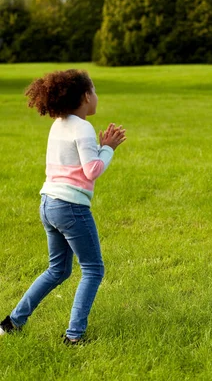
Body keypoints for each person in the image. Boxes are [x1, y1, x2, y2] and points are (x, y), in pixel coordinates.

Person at [0, 69, 126, 344]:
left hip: (48, 203)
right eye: (94, 91)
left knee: (58, 270)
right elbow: (92, 170)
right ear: (84, 97)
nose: (96, 96)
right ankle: (74, 336)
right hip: (71, 207)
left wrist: (101, 146)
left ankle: (11, 323)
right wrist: (109, 149)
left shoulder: (59, 123)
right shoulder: (83, 127)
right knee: (93, 269)